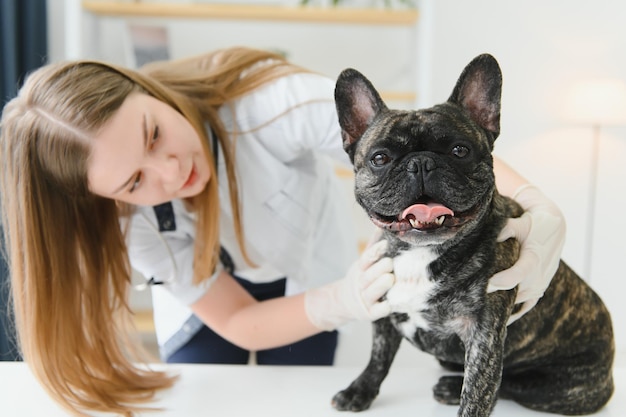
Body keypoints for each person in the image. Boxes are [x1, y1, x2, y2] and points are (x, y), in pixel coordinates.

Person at [0, 47, 565, 416]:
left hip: (303, 276)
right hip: (224, 301)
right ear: (105, 200)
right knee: (209, 399)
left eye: (152, 135)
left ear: (141, 87)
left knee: (301, 395)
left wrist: (537, 204)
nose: (171, 172)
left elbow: (428, 147)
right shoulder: (132, 227)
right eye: (133, 181)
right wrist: (339, 300)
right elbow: (240, 321)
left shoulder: (269, 106)